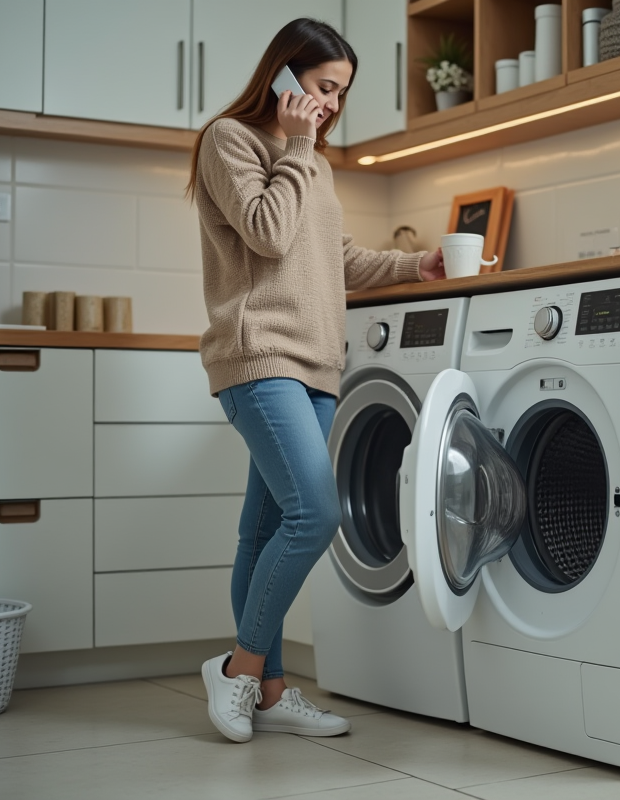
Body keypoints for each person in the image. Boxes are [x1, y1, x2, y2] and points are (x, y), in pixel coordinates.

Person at [186, 18, 445, 743]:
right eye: (324, 87)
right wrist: (298, 145)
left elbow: (337, 259)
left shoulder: (315, 164)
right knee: (317, 514)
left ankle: (266, 692)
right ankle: (238, 671)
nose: (331, 105)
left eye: (341, 95)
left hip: (317, 367)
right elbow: (267, 233)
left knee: (265, 527)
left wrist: (411, 265)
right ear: (284, 75)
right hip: (259, 356)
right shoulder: (229, 141)